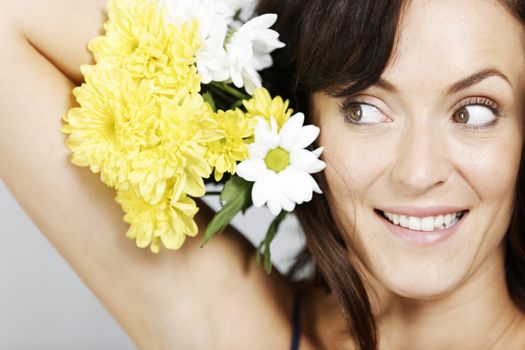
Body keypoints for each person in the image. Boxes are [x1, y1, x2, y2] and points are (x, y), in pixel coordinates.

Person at [0, 0, 524, 349]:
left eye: (474, 112)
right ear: (307, 121)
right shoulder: (243, 329)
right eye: (363, 109)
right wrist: (247, 126)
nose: (419, 171)